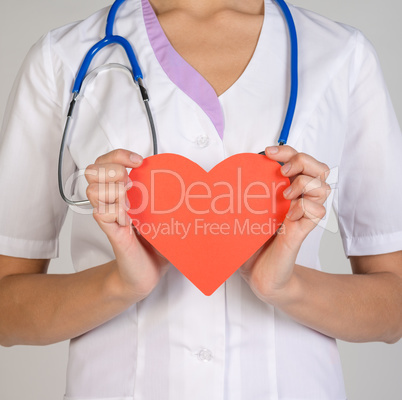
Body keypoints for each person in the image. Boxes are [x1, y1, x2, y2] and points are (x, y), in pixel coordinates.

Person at [0, 0, 401, 399]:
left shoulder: (340, 55)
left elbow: (394, 306)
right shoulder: (63, 58)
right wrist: (120, 284)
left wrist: (287, 286)